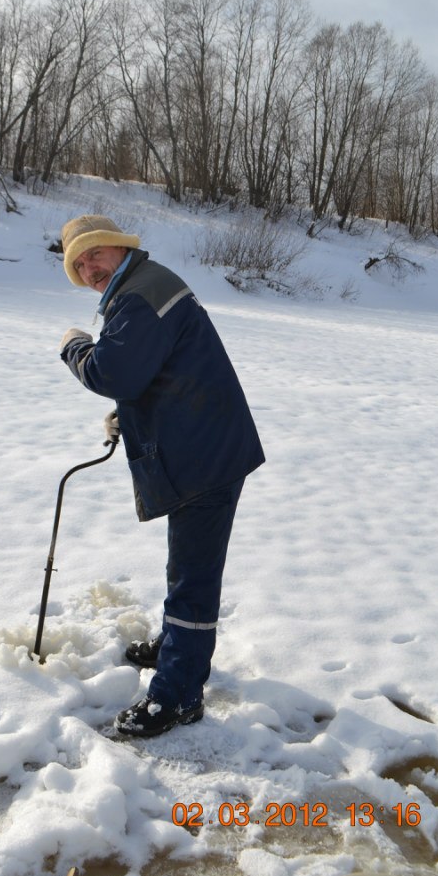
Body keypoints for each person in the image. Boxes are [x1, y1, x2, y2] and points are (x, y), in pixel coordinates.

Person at [58, 215, 264, 737]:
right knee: (185, 566)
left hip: (204, 454)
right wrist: (131, 414)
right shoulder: (143, 286)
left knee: (193, 577)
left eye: (94, 254)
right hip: (200, 442)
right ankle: (177, 649)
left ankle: (178, 696)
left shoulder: (140, 295)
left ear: (119, 247)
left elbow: (114, 372)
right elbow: (164, 370)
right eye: (79, 264)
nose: (89, 268)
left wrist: (75, 348)